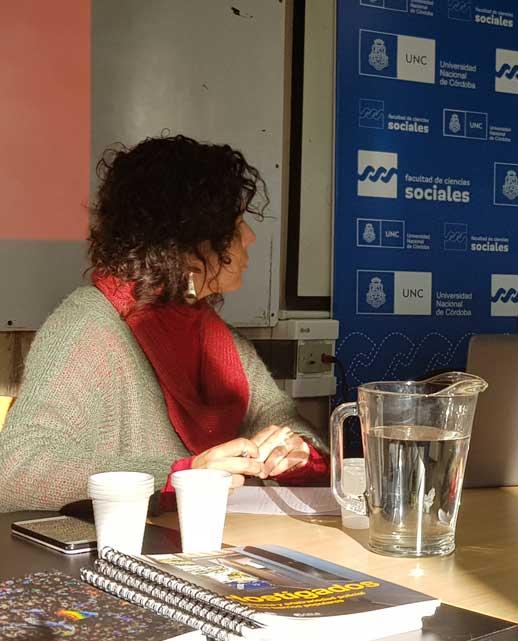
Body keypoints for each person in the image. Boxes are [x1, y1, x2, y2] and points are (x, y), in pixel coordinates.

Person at [0, 134, 327, 512]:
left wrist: (296, 452)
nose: (251, 238)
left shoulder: (216, 336)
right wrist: (179, 475)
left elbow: (286, 423)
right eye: (235, 226)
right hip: (125, 548)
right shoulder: (89, 325)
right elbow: (14, 471)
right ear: (186, 244)